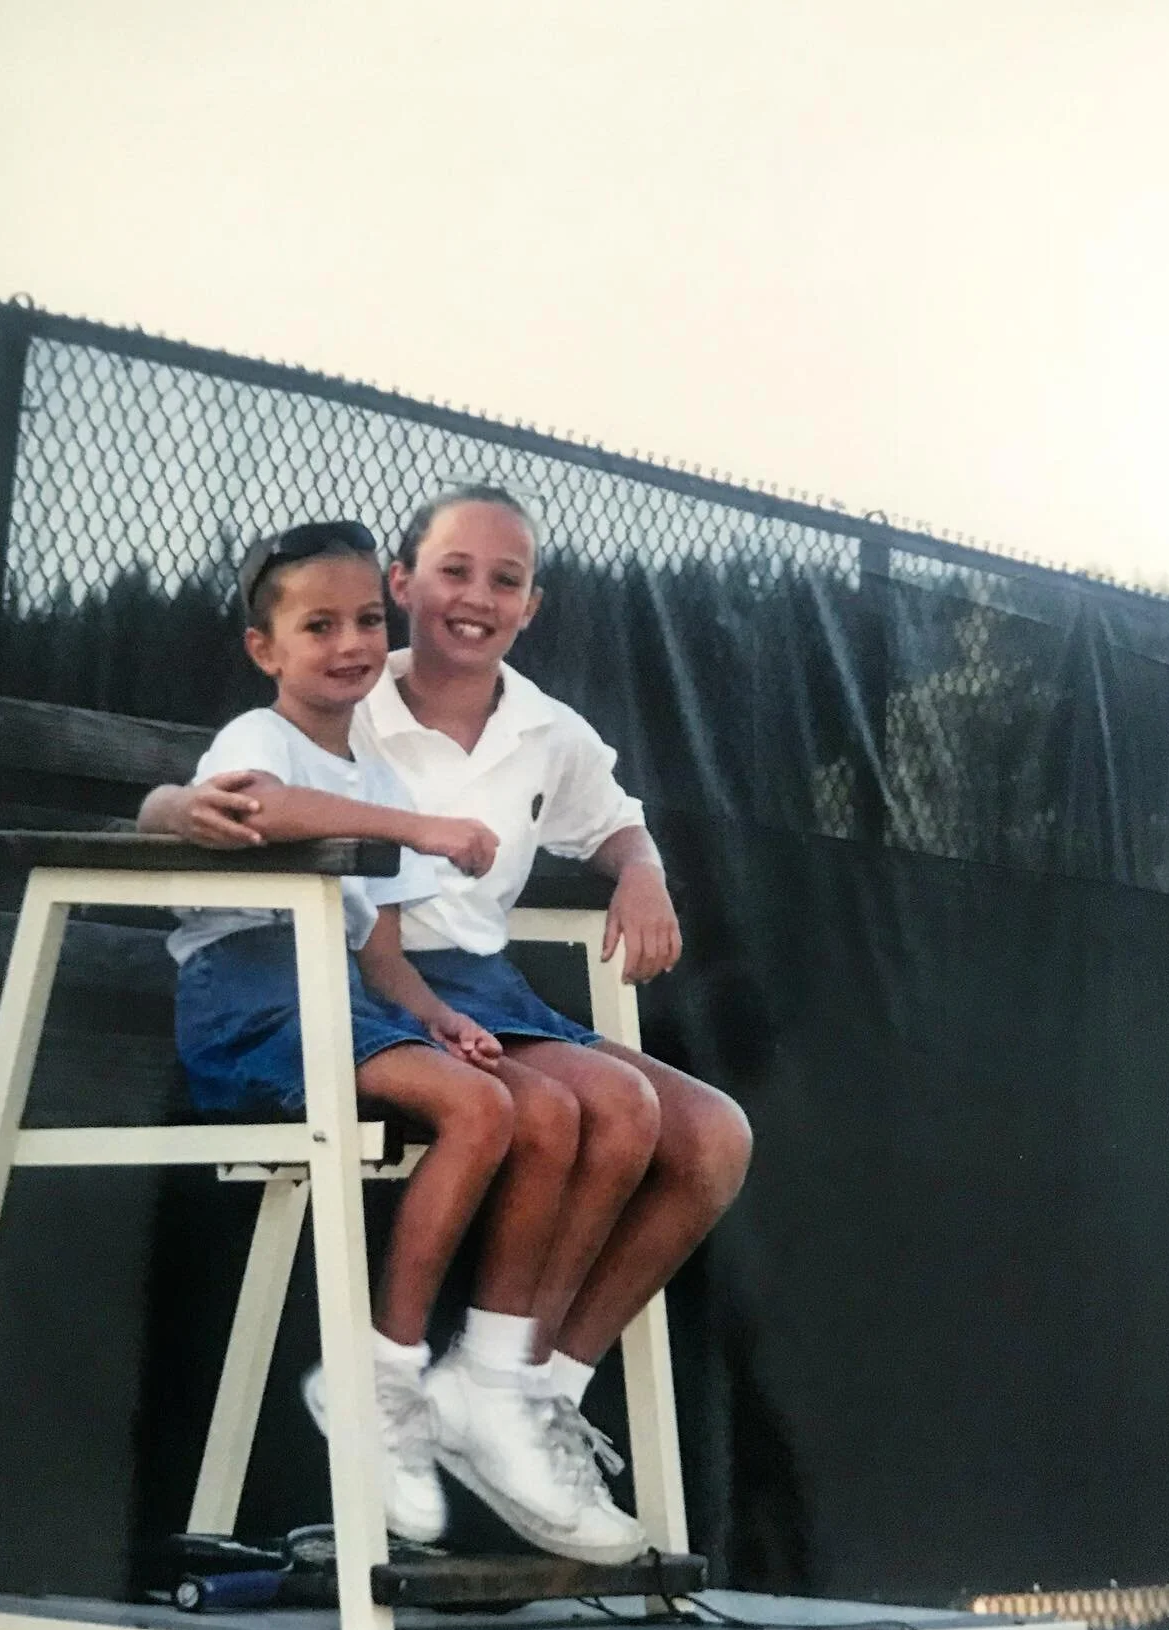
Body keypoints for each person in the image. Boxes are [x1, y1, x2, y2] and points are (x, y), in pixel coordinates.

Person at [158, 487, 753, 1560]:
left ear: (532, 604)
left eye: (505, 580)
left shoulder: (538, 728)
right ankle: (473, 1381)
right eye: (451, 572)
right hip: (318, 980)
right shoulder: (350, 693)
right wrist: (171, 809)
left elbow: (615, 825)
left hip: (444, 980)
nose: (474, 599)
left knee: (711, 1136)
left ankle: (527, 1390)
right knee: (599, 1105)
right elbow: (230, 796)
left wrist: (645, 874)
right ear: (404, 582)